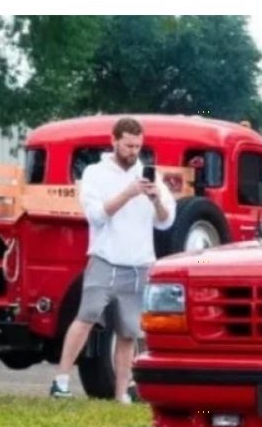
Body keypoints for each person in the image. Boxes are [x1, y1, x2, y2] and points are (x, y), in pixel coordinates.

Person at [49, 117, 176, 403]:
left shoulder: (150, 175)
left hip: (139, 262)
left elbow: (166, 223)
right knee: (86, 317)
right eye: (129, 145)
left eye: (138, 146)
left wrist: (156, 199)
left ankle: (121, 393)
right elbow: (96, 215)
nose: (133, 151)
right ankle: (61, 381)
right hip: (105, 258)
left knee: (129, 331)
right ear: (114, 141)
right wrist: (128, 193)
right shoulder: (96, 173)